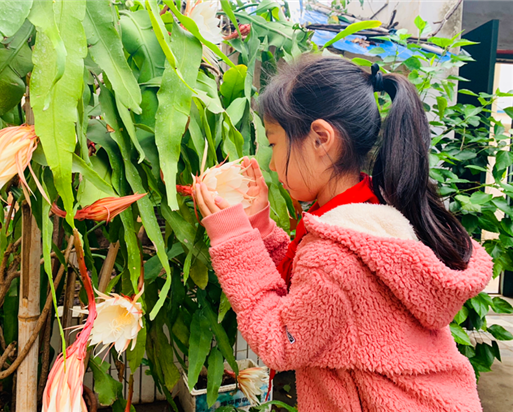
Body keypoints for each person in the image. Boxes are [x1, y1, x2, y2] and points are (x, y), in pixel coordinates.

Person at [193, 55, 493, 412]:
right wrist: (259, 228)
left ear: (321, 139)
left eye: (273, 143)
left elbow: (282, 340)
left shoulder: (334, 256)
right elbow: (308, 297)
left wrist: (234, 241)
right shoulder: (370, 214)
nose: (271, 163)